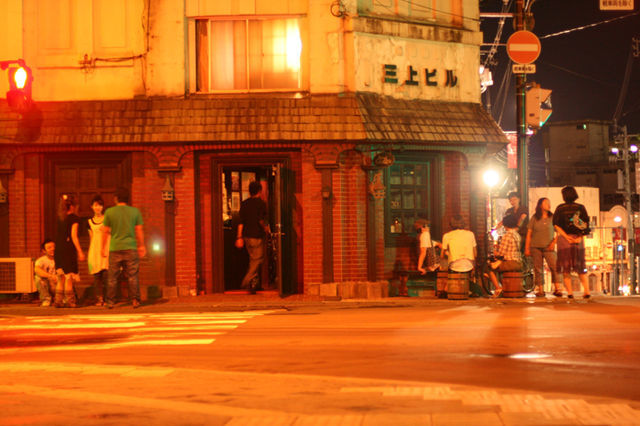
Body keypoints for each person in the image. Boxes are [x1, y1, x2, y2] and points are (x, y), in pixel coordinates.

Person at [102, 187, 146, 309]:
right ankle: (135, 300)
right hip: (130, 246)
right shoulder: (135, 212)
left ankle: (110, 301)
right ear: (128, 198)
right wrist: (141, 245)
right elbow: (139, 230)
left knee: (112, 277)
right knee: (132, 275)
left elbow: (105, 231)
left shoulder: (109, 212)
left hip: (115, 247)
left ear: (116, 198)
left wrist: (102, 247)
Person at [553, 186, 591, 299]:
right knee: (580, 266)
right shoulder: (580, 208)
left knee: (566, 267)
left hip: (564, 240)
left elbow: (556, 225)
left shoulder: (560, 208)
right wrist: (580, 237)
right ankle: (587, 291)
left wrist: (566, 237)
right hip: (578, 239)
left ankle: (570, 293)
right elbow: (586, 225)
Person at [235, 181, 270, 294]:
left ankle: (254, 285)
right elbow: (261, 220)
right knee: (258, 259)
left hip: (246, 236)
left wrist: (239, 237)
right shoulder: (261, 203)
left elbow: (241, 222)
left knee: (252, 259)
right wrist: (266, 228)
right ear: (259, 191)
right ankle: (247, 280)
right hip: (257, 235)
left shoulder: (244, 204)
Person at [525, 197, 562, 298]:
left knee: (555, 266)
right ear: (540, 205)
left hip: (549, 247)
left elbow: (559, 231)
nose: (548, 205)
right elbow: (529, 233)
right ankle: (540, 290)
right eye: (546, 203)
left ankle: (557, 289)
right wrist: (527, 248)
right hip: (535, 247)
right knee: (538, 269)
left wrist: (554, 242)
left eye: (549, 203)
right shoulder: (534, 218)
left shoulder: (553, 217)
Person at [54, 195, 85, 308]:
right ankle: (70, 301)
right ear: (72, 206)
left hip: (59, 248)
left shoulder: (60, 218)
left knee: (61, 276)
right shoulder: (74, 218)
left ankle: (58, 300)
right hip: (68, 249)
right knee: (69, 277)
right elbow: (74, 236)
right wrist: (80, 251)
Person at [486, 214, 523, 298]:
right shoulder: (517, 235)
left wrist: (495, 251)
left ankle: (498, 288)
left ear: (506, 225)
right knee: (498, 266)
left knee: (489, 268)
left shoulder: (506, 236)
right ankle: (503, 287)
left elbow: (501, 254)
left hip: (510, 263)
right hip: (518, 262)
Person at [441, 215, 478, 297]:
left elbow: (442, 255)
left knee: (446, 266)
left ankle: (447, 289)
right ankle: (468, 289)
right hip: (469, 265)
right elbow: (475, 253)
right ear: (463, 223)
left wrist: (449, 255)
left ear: (451, 224)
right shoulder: (470, 234)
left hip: (454, 266)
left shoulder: (447, 236)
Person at [87, 194, 109, 306]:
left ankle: (108, 298)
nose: (98, 207)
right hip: (95, 250)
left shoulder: (107, 219)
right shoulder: (89, 222)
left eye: (100, 205)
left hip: (106, 249)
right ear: (91, 207)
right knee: (97, 276)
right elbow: (91, 238)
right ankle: (99, 299)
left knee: (106, 275)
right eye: (95, 205)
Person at [34, 239, 57, 307]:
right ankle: (46, 299)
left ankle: (60, 299)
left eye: (54, 247)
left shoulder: (62, 259)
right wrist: (50, 276)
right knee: (38, 278)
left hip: (59, 285)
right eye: (49, 248)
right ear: (44, 250)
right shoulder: (41, 260)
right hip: (47, 285)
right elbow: (37, 270)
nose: (52, 249)